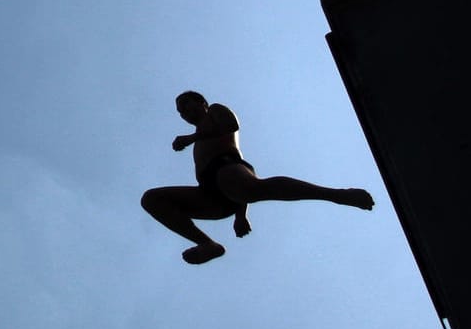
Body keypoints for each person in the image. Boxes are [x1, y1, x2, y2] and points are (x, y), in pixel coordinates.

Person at [142, 90, 374, 264]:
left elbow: (230, 125)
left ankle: (336, 195)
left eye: (187, 104)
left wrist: (191, 139)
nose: (185, 112)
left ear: (201, 102)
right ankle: (207, 243)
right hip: (211, 194)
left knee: (250, 189)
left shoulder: (215, 112)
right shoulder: (198, 137)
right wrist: (239, 216)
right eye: (181, 111)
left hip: (229, 169)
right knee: (152, 199)